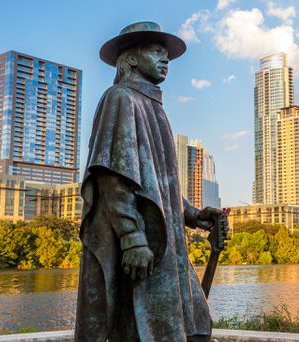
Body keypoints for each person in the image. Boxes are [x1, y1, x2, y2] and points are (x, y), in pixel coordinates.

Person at [74, 22, 222, 342]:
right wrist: (132, 237)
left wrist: (194, 216)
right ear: (130, 59)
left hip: (164, 246)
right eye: (156, 52)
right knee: (141, 329)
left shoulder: (153, 106)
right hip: (142, 246)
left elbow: (162, 185)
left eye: (166, 54)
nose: (165, 59)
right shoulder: (120, 98)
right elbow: (112, 175)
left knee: (194, 325)